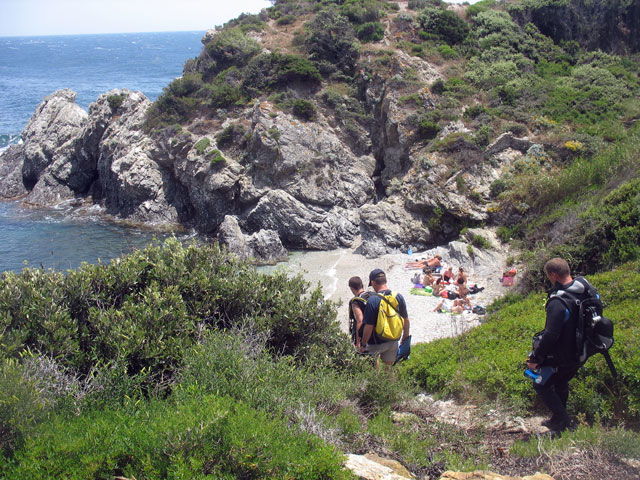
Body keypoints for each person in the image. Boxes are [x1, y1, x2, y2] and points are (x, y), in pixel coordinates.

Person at [526, 258, 591, 433]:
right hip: (583, 348)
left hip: (563, 353)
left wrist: (535, 358)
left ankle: (563, 421)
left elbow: (550, 336)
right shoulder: (583, 289)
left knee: (541, 384)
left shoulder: (558, 302)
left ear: (554, 275)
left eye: (548, 276)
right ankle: (557, 419)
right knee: (561, 382)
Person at [359, 269, 410, 367]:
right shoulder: (398, 296)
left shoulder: (372, 300)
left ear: (373, 283)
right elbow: (406, 320)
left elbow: (369, 326)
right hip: (393, 340)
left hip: (376, 342)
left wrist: (363, 344)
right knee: (389, 371)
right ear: (385, 280)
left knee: (373, 370)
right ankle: (390, 383)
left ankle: (376, 382)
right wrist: (405, 336)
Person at [347, 276, 370, 348]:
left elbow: (360, 320)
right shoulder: (372, 296)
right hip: (375, 334)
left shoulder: (356, 301)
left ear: (352, 289)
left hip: (364, 335)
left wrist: (358, 342)